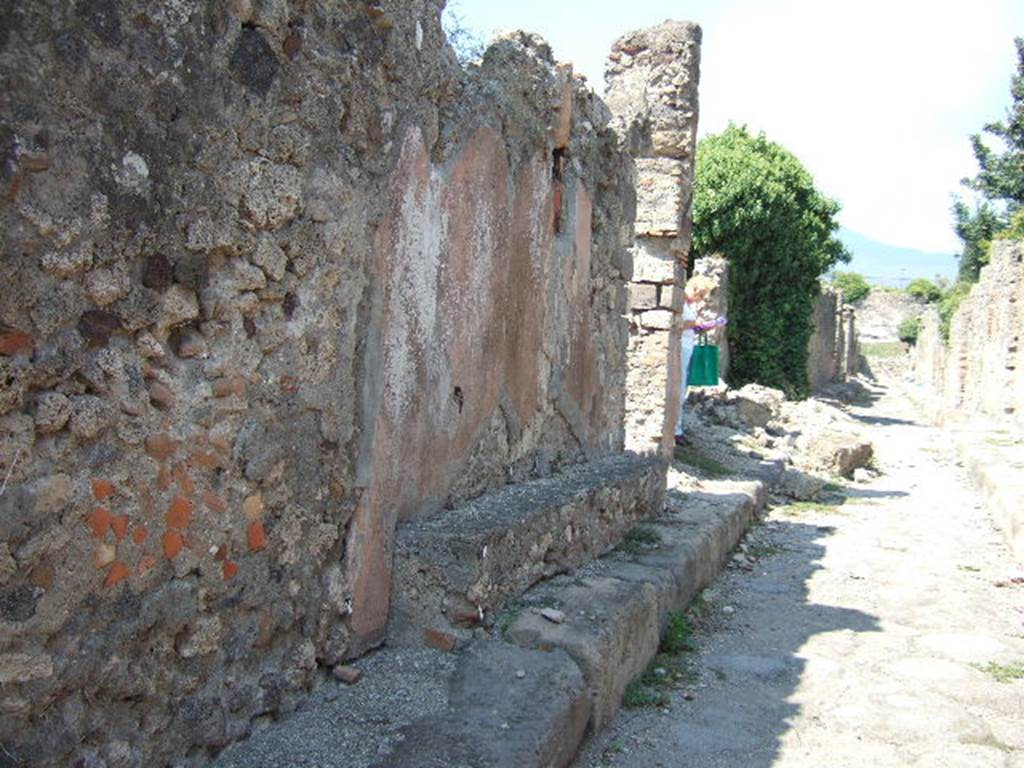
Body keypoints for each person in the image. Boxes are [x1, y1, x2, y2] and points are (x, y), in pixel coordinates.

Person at [675, 275, 716, 446]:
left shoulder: (688, 305)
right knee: (679, 388)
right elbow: (677, 324)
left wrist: (700, 326)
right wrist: (696, 324)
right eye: (700, 295)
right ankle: (676, 430)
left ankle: (678, 428)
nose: (700, 299)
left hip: (687, 348)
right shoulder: (679, 302)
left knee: (683, 389)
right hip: (681, 349)